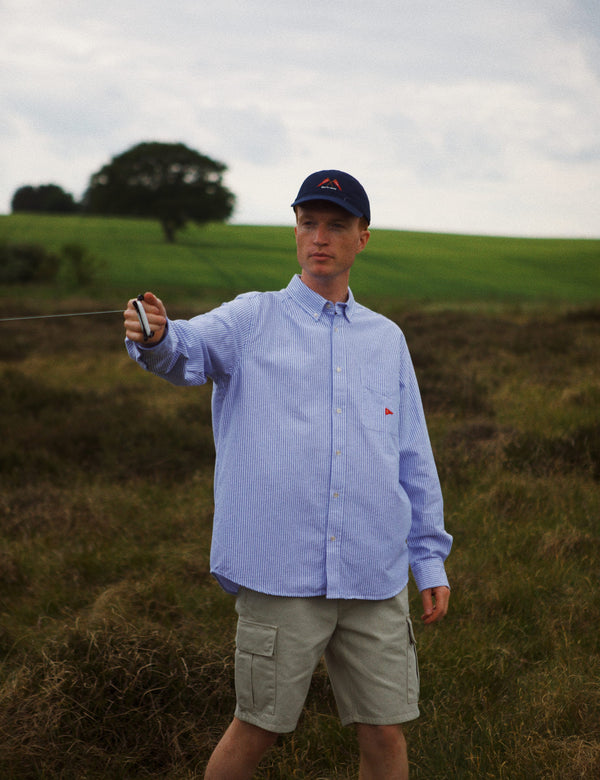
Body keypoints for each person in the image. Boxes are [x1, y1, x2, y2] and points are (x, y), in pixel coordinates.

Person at [124, 170, 452, 780]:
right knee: (258, 727)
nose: (319, 237)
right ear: (295, 232)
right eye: (308, 223)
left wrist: (427, 560)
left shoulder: (387, 339)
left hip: (373, 574)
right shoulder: (253, 319)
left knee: (386, 730)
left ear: (362, 238)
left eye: (336, 225)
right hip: (278, 572)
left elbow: (412, 454)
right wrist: (156, 336)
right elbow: (184, 351)